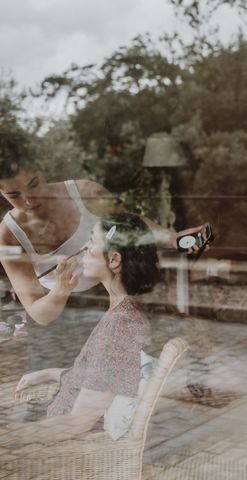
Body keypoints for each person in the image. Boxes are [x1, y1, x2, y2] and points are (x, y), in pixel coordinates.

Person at [0, 125, 206, 328]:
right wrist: (61, 290)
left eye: (33, 184)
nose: (29, 200)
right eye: (14, 195)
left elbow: (130, 224)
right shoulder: (8, 237)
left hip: (120, 300)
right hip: (66, 321)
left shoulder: (85, 191)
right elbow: (40, 314)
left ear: (42, 170)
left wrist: (173, 238)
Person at [0, 213, 159, 445]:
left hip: (62, 447)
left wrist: (7, 440)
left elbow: (76, 424)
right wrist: (47, 373)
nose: (84, 247)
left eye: (92, 241)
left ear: (114, 260)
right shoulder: (122, 312)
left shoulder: (120, 326)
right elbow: (99, 376)